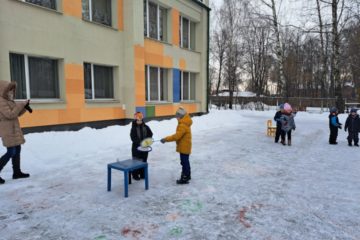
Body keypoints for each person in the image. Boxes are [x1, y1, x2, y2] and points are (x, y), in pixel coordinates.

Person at [0, 81, 30, 184]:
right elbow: (10, 115)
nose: (11, 92)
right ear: (3, 91)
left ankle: (17, 172)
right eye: (9, 90)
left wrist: (24, 108)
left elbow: (16, 114)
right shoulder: (1, 101)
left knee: (17, 149)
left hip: (14, 128)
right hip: (7, 130)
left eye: (12, 90)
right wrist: (20, 104)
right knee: (11, 151)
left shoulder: (10, 101)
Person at [161, 107, 192, 184]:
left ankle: (185, 177)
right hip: (186, 146)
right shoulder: (185, 123)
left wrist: (166, 139)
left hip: (184, 147)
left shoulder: (182, 125)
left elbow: (176, 136)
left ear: (181, 116)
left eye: (177, 117)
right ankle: (187, 175)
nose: (176, 119)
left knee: (184, 162)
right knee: (185, 162)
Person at [130, 112, 153, 180]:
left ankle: (142, 173)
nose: (139, 121)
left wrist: (147, 141)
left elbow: (150, 134)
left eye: (140, 120)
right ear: (135, 120)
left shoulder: (146, 127)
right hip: (136, 147)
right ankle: (135, 174)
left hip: (145, 147)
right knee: (136, 161)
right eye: (137, 120)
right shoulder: (133, 128)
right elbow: (133, 137)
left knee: (144, 160)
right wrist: (140, 143)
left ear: (142, 120)